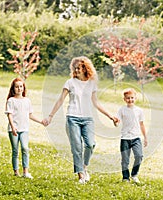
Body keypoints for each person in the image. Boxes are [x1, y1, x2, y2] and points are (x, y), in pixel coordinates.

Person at [43, 56, 118, 184]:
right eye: (75, 68)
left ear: (85, 68)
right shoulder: (70, 82)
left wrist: (110, 116)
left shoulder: (92, 84)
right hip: (73, 118)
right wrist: (50, 115)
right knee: (77, 147)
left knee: (90, 144)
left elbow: (96, 103)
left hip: (88, 119)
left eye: (79, 68)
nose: (76, 70)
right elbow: (61, 99)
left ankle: (84, 166)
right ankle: (81, 175)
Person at [5, 77, 43, 179]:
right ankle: (16, 172)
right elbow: (9, 115)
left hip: (24, 129)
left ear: (23, 88)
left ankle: (26, 172)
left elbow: (30, 115)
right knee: (15, 150)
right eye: (17, 87)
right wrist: (13, 127)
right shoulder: (11, 101)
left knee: (25, 148)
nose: (19, 89)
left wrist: (41, 122)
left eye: (21, 86)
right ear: (13, 89)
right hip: (14, 130)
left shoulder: (27, 101)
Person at [115, 88, 148, 183]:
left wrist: (145, 137)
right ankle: (125, 178)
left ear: (135, 98)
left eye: (132, 98)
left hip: (136, 138)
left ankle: (134, 174)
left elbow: (142, 124)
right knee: (125, 159)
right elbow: (117, 121)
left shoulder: (139, 111)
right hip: (125, 138)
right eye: (128, 98)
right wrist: (115, 122)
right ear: (124, 99)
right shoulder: (122, 110)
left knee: (139, 156)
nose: (130, 100)